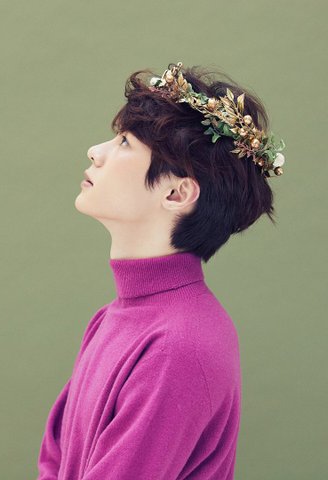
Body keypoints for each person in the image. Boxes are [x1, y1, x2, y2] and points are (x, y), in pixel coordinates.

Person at [37, 61, 286, 479]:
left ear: (177, 192)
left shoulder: (179, 345)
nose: (96, 151)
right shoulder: (112, 318)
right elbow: (55, 458)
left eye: (124, 142)